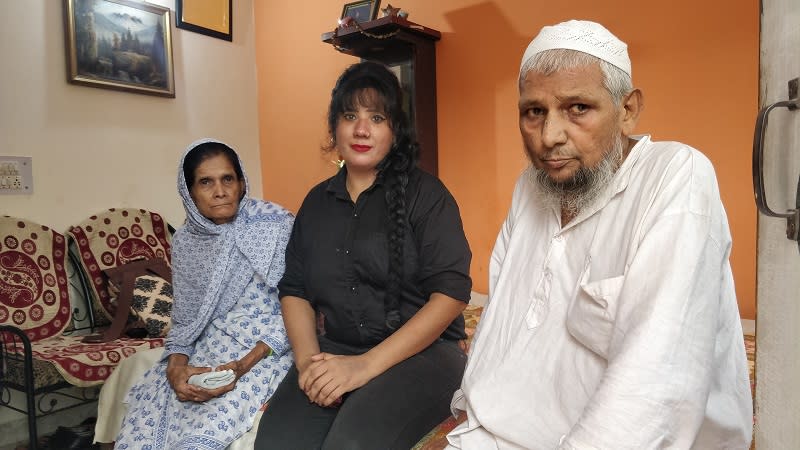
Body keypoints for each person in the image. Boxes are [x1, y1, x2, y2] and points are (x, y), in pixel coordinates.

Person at [446, 20, 753, 449]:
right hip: (501, 430)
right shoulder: (531, 188)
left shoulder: (676, 175)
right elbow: (500, 319)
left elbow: (657, 381)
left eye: (578, 108)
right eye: (534, 112)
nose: (550, 137)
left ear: (627, 110)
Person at [254, 61, 473, 449]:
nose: (361, 129)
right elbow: (295, 289)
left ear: (395, 131)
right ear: (334, 127)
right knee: (275, 442)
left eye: (377, 117)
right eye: (350, 115)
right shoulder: (316, 203)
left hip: (425, 356)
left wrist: (364, 367)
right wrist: (308, 364)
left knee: (351, 443)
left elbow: (451, 294)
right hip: (336, 348)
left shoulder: (427, 196)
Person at [108, 139, 294, 450]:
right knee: (151, 414)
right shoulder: (187, 241)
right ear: (189, 192)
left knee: (204, 431)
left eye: (228, 179)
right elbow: (185, 323)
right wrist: (176, 369)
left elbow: (301, 306)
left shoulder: (276, 224)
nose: (220, 191)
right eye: (206, 182)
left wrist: (243, 365)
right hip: (212, 347)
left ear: (242, 182)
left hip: (270, 348)